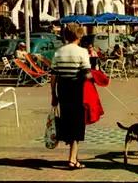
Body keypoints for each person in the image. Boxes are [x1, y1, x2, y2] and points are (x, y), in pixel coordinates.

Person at [50, 23, 92, 170]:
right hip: (77, 90)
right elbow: (86, 74)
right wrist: (95, 77)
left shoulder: (58, 52)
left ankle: (73, 156)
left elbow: (53, 75)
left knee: (67, 121)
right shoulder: (82, 52)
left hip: (62, 90)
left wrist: (53, 94)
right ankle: (72, 159)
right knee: (77, 124)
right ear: (79, 36)